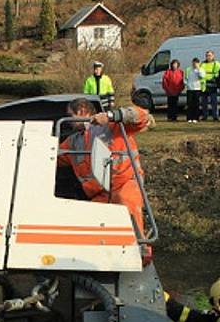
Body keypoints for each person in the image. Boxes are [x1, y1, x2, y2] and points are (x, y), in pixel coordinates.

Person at [57, 98, 151, 235]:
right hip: (100, 195)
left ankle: (140, 248)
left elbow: (142, 116)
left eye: (70, 115)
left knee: (127, 206)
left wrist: (110, 116)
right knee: (90, 225)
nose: (69, 121)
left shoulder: (113, 126)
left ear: (82, 110)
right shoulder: (72, 142)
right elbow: (53, 157)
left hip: (125, 184)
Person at [199, 50, 220, 121]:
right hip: (204, 86)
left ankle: (215, 116)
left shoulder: (216, 64)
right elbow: (200, 73)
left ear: (213, 56)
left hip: (213, 85)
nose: (208, 57)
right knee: (204, 103)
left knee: (214, 102)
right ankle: (205, 116)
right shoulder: (202, 64)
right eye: (207, 55)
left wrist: (212, 77)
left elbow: (218, 73)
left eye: (210, 55)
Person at [185, 58, 204, 123]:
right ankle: (189, 118)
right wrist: (187, 84)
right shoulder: (188, 69)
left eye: (196, 63)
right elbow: (185, 78)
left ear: (198, 63)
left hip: (197, 89)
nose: (194, 64)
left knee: (196, 104)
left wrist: (198, 69)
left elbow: (202, 76)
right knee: (189, 104)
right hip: (190, 89)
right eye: (193, 63)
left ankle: (196, 118)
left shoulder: (201, 69)